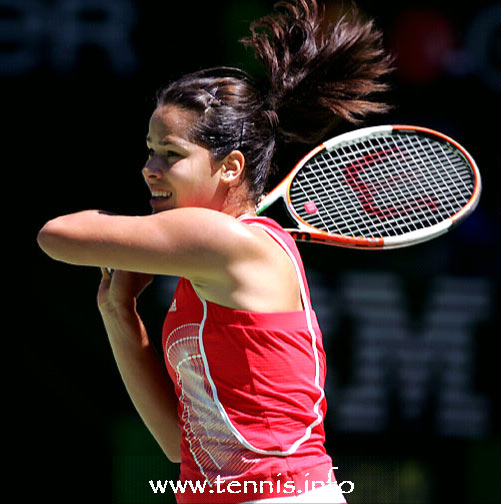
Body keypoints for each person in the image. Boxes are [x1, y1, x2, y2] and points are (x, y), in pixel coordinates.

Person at [37, 1, 392, 502]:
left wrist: (131, 241)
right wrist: (119, 311)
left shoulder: (227, 243)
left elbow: (56, 235)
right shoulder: (209, 261)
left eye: (172, 154)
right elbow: (177, 447)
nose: (149, 167)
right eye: (150, 148)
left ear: (230, 167)